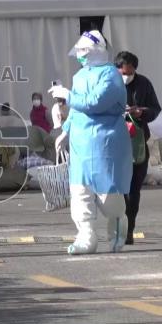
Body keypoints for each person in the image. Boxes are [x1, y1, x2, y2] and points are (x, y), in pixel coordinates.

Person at [49, 32, 132, 255]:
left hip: (105, 142)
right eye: (79, 52)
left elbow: (95, 102)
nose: (80, 56)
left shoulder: (111, 75)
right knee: (80, 191)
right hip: (80, 142)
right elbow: (76, 110)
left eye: (84, 52)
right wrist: (65, 131)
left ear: (97, 51)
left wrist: (68, 96)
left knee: (108, 195)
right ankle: (86, 236)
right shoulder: (79, 76)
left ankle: (117, 225)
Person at [114, 50, 162, 245]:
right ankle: (118, 226)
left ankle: (129, 229)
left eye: (130, 73)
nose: (127, 76)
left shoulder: (144, 83)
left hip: (138, 143)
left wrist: (141, 112)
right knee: (119, 189)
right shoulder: (109, 83)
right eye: (123, 73)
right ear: (117, 70)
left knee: (134, 189)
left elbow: (155, 109)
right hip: (115, 143)